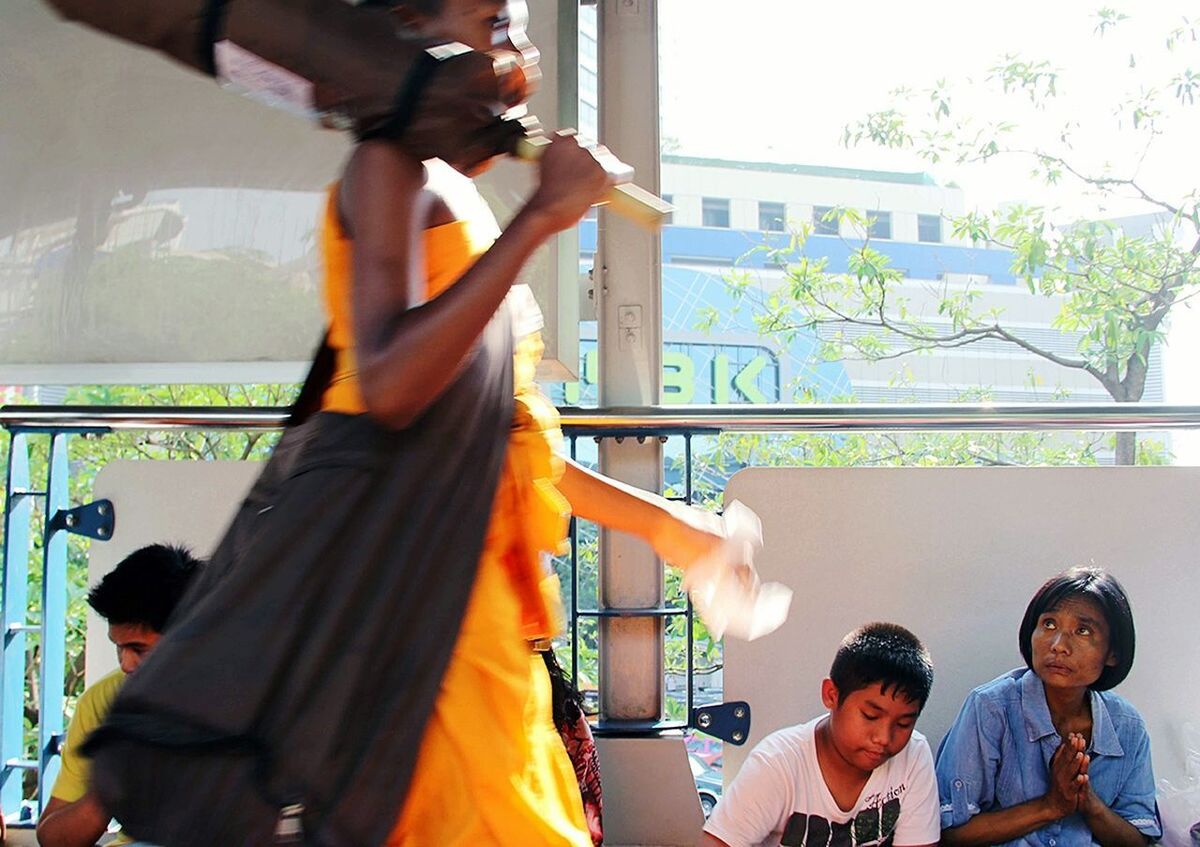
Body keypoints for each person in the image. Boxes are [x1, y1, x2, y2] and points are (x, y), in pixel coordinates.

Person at [84, 2, 729, 844]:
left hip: (478, 618)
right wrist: (541, 219)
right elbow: (388, 384)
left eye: (521, 19)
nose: (518, 40)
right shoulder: (386, 168)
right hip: (414, 623)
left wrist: (673, 528)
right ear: (414, 19)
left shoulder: (448, 183)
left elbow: (504, 446)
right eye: (493, 15)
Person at [936, 567, 1160, 847]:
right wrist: (1050, 806)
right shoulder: (990, 708)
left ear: (1113, 653)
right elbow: (951, 833)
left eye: (1082, 630)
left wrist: (1088, 803)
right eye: (1049, 624)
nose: (1058, 645)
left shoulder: (1128, 726)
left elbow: (1139, 841)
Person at [700, 622, 940, 847]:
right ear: (831, 695)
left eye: (904, 723)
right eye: (870, 716)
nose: (884, 737)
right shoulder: (777, 764)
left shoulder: (913, 755)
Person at [36, 543, 203, 847]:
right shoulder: (103, 702)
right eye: (119, 646)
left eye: (140, 649)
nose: (125, 664)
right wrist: (108, 789)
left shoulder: (247, 700)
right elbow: (51, 838)